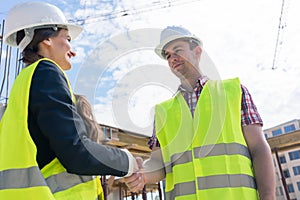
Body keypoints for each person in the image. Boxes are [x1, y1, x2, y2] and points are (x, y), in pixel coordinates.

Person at [0, 2, 141, 200]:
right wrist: (128, 162)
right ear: (47, 39)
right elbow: (76, 152)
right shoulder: (46, 72)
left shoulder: (22, 85)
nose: (72, 50)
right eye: (67, 38)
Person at [124, 26, 276, 199]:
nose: (172, 58)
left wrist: (268, 196)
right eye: (167, 55)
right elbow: (159, 162)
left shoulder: (234, 92)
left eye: (177, 50)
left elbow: (258, 148)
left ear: (197, 51)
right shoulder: (162, 112)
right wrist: (142, 174)